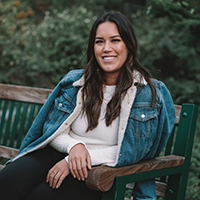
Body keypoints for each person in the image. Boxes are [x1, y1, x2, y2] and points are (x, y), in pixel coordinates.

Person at [0, 12, 176, 200]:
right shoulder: (75, 83)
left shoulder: (147, 92)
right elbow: (53, 130)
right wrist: (75, 146)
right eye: (99, 41)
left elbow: (136, 151)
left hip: (98, 173)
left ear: (129, 46)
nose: (106, 48)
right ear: (93, 47)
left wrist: (74, 161)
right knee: (7, 180)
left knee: (40, 196)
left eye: (115, 40)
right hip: (57, 153)